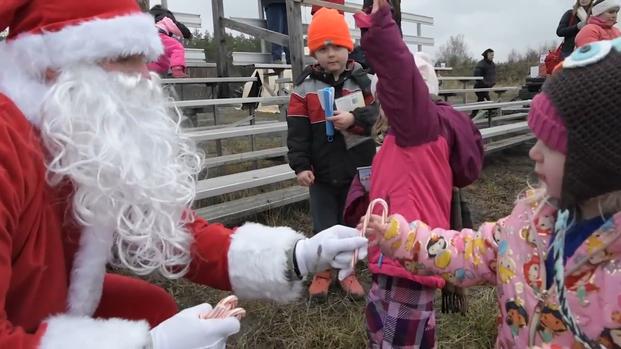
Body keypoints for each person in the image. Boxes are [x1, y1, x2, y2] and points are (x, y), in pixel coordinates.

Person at [0, 0, 368, 347]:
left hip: (52, 306)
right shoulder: (8, 146)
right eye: (130, 60)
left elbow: (177, 234)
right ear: (62, 63)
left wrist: (300, 255)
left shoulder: (72, 132)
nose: (146, 78)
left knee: (150, 307)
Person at [366, 35, 621, 348]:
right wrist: (401, 236)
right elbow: (469, 252)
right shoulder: (527, 223)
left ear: (598, 160)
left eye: (551, 144)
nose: (534, 152)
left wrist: (381, 31)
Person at [352, 3, 484, 347]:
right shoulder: (408, 134)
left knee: (399, 339)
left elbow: (398, 75)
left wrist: (380, 27)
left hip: (407, 256)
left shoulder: (419, 126)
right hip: (393, 252)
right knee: (390, 332)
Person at [287, 8, 379, 298]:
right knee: (323, 223)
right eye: (322, 48)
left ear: (347, 47)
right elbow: (297, 131)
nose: (330, 54)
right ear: (314, 52)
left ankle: (348, 271)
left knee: (352, 221)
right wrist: (300, 166)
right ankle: (323, 270)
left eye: (336, 46)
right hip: (321, 172)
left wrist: (355, 120)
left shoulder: (362, 80)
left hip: (357, 169)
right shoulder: (304, 88)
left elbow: (377, 115)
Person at [471, 48, 496, 118]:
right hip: (479, 87)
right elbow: (477, 76)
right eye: (491, 55)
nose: (493, 56)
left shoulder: (492, 64)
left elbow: (492, 74)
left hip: (487, 87)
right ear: (487, 55)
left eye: (493, 55)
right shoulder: (481, 64)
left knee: (481, 100)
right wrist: (485, 83)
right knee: (485, 100)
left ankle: (474, 115)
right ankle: (490, 110)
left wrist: (492, 82)